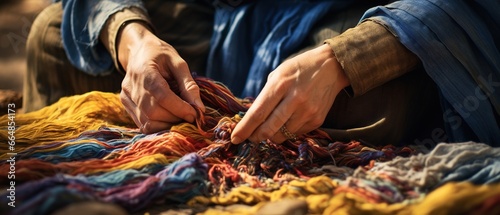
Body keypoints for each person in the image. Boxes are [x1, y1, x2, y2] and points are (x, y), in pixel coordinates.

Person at [24, 0, 499, 147]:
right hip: (230, 19)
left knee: (375, 104)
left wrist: (344, 59)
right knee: (51, 35)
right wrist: (134, 40)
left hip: (351, 19)